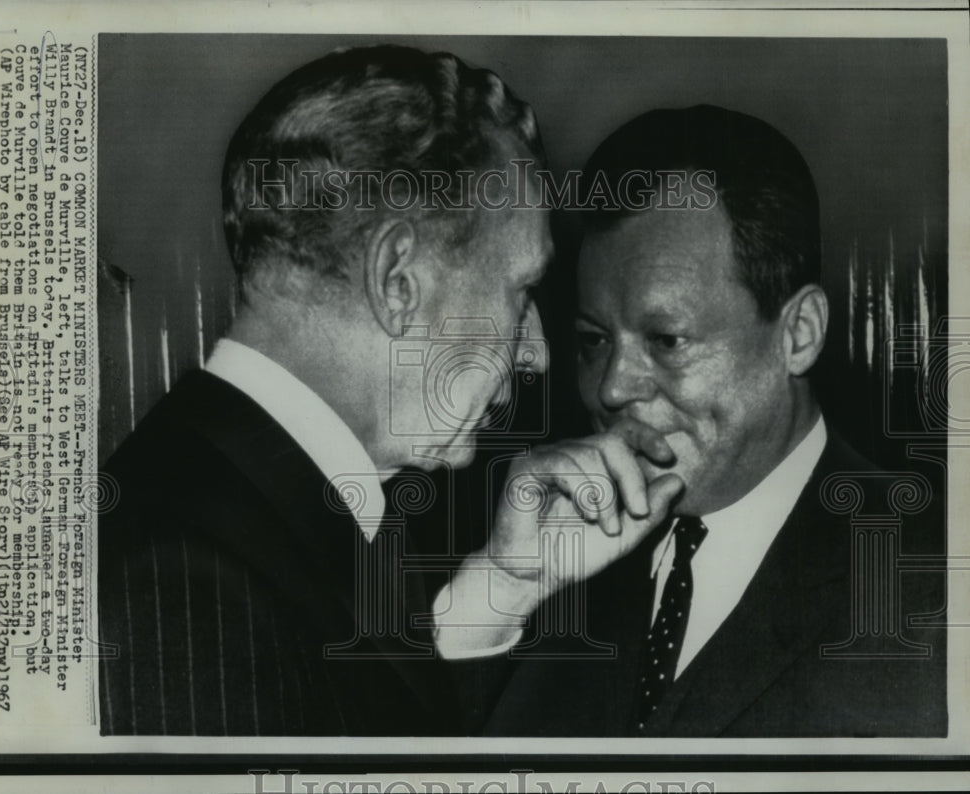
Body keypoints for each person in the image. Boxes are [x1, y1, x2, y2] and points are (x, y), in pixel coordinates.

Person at [98, 45, 677, 736]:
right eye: (521, 292)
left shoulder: (258, 509)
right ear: (398, 280)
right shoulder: (180, 582)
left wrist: (499, 589)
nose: (536, 356)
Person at [482, 105, 947, 737]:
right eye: (593, 341)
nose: (614, 388)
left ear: (800, 334)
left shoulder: (934, 579)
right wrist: (506, 590)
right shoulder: (551, 563)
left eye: (667, 340)